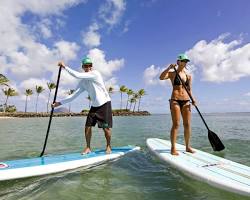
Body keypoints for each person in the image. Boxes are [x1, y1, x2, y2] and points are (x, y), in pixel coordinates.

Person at [52, 57, 112, 154]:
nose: (88, 67)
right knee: (87, 126)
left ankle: (108, 146)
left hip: (104, 104)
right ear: (83, 67)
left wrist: (65, 67)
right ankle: (88, 147)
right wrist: (59, 103)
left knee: (106, 128)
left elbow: (77, 75)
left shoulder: (95, 74)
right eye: (85, 66)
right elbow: (73, 96)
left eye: (89, 65)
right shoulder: (83, 82)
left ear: (91, 66)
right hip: (94, 106)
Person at [159, 54, 196, 155]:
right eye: (183, 60)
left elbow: (189, 90)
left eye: (186, 61)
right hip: (175, 100)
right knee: (176, 124)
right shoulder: (172, 74)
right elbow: (161, 77)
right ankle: (173, 148)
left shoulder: (189, 76)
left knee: (187, 124)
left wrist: (193, 100)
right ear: (178, 62)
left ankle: (187, 147)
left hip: (186, 101)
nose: (185, 62)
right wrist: (168, 68)